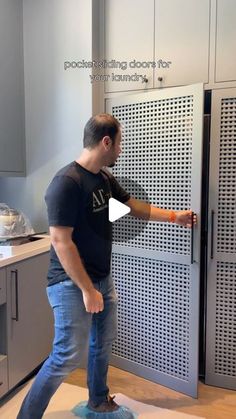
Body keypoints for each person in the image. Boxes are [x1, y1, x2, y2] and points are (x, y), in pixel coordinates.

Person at [17, 113, 196, 418]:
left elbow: (132, 205)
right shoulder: (66, 183)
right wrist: (87, 289)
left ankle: (98, 400)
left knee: (102, 343)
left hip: (101, 279)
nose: (121, 150)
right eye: (119, 143)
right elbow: (61, 242)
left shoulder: (102, 177)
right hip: (70, 285)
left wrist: (173, 216)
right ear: (106, 142)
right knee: (66, 356)